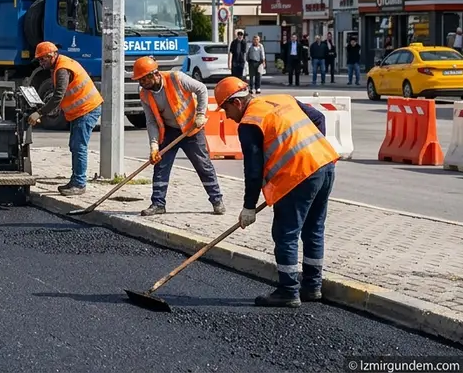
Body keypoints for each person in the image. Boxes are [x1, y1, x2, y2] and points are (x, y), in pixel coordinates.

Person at [215, 76, 339, 307]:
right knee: (313, 229)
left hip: (298, 176)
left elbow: (253, 170)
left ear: (237, 103)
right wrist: (313, 152)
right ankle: (312, 286)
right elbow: (318, 118)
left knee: (286, 234)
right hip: (325, 165)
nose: (227, 116)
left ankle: (289, 291)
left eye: (226, 109)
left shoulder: (250, 123)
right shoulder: (283, 99)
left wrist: (249, 206)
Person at [132, 56, 225, 216]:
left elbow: (201, 89)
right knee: (161, 166)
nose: (141, 83)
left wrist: (200, 114)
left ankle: (217, 200)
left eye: (144, 79)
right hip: (169, 132)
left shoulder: (176, 78)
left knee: (203, 165)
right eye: (139, 80)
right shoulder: (145, 94)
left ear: (155, 74)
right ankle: (158, 204)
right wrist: (154, 145)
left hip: (191, 129)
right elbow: (151, 121)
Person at [27, 41, 102, 196]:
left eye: (43, 59)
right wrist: (47, 112)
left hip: (87, 109)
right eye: (39, 60)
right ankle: (75, 181)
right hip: (80, 110)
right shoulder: (59, 65)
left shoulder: (62, 69)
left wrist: (40, 113)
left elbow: (58, 96)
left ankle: (79, 184)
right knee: (75, 145)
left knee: (79, 146)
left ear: (52, 55)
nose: (41, 63)